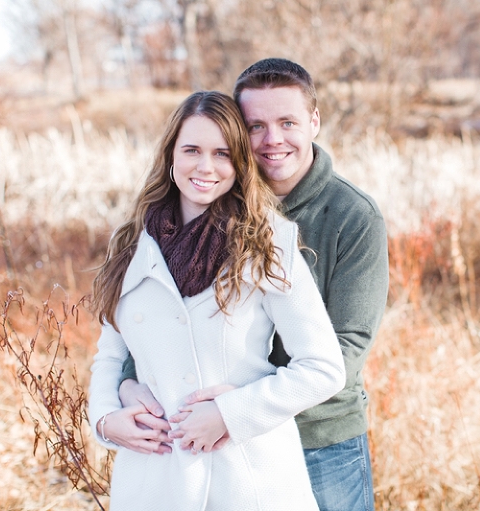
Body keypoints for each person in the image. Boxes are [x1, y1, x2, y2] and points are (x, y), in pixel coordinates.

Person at [119, 59, 389, 511]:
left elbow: (348, 344)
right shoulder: (211, 206)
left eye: (288, 122)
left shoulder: (352, 216)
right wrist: (130, 381)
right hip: (217, 440)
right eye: (255, 125)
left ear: (314, 122)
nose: (272, 140)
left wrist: (243, 406)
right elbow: (163, 316)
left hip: (321, 437)